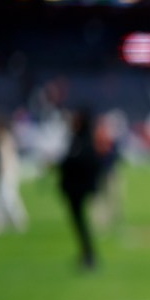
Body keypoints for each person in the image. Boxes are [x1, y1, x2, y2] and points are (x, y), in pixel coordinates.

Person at [57, 108, 102, 269]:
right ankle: (86, 254)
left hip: (77, 188)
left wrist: (64, 164)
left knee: (80, 223)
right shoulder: (77, 139)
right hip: (74, 188)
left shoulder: (83, 141)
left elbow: (84, 163)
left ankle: (89, 256)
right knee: (79, 223)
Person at [0, 115, 28, 234]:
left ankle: (18, 220)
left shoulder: (4, 138)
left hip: (7, 171)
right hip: (4, 171)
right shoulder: (3, 137)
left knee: (7, 196)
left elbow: (6, 156)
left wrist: (3, 169)